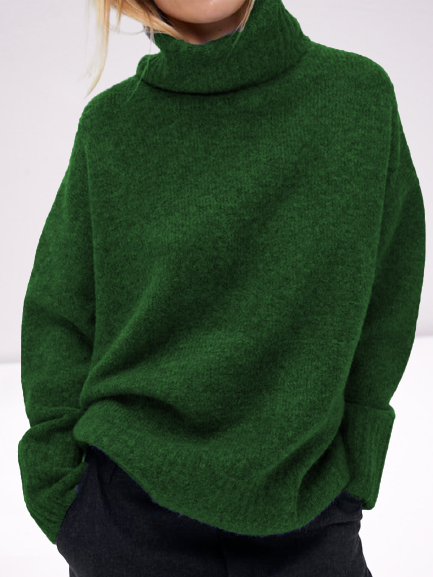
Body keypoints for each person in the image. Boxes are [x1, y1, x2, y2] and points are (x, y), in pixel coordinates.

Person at [18, 0, 425, 576]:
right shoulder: (110, 126)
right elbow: (59, 313)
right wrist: (63, 496)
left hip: (309, 510)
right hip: (124, 513)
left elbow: (390, 296)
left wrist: (357, 464)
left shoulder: (357, 98)